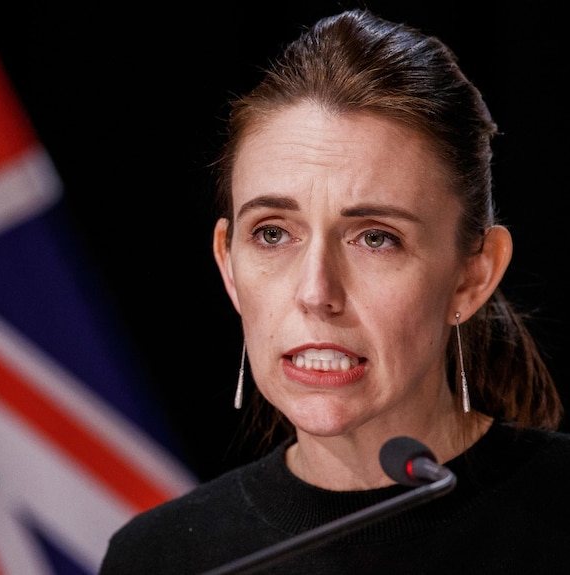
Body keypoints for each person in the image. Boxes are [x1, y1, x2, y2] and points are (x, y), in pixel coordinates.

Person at [99, 8, 570, 574]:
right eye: (272, 233)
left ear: (473, 276)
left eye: (375, 238)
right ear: (228, 265)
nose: (316, 291)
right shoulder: (160, 558)